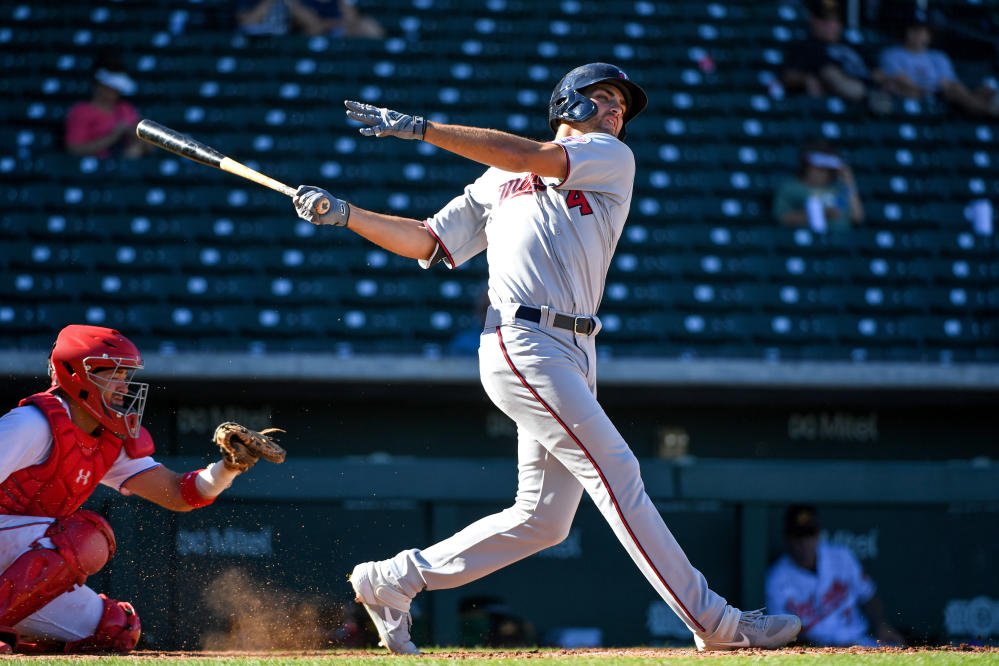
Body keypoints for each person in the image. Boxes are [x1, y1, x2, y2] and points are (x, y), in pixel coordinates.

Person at [291, 62, 802, 654]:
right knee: (619, 474)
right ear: (569, 100)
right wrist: (347, 215)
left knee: (543, 520)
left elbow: (534, 156)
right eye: (606, 98)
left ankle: (391, 581)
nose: (616, 111)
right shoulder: (496, 179)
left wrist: (423, 129)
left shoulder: (609, 157)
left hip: (576, 348)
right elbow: (428, 242)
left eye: (622, 107)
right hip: (522, 340)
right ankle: (718, 625)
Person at [0, 325, 274, 653]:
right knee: (87, 536)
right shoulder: (31, 423)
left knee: (117, 630)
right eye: (112, 374)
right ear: (75, 374)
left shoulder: (107, 440)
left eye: (126, 374)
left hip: (16, 564)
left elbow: (178, 494)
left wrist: (228, 467)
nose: (124, 385)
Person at [765, 505, 906, 647]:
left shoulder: (841, 556)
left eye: (810, 534)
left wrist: (882, 625)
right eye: (798, 536)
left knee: (901, 652)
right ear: (787, 538)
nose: (804, 543)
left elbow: (868, 595)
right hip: (816, 650)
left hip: (858, 640)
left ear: (818, 534)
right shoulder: (776, 579)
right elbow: (780, 635)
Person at [878, 7, 999, 117]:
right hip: (910, 93)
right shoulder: (892, 54)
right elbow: (902, 80)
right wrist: (930, 88)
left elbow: (948, 83)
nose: (918, 35)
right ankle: (988, 109)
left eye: (923, 31)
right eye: (914, 30)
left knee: (963, 89)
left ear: (929, 34)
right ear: (905, 32)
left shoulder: (938, 56)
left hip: (942, 96)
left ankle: (985, 106)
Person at [781, 0, 894, 114]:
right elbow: (788, 75)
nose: (831, 25)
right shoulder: (806, 46)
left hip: (866, 83)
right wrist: (806, 78)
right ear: (813, 20)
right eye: (825, 20)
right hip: (840, 89)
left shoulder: (853, 46)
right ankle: (868, 95)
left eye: (835, 20)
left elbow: (876, 71)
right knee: (830, 72)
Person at [64, 55, 152, 160]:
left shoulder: (125, 108)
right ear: (99, 86)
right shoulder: (81, 111)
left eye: (116, 90)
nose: (113, 93)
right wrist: (112, 136)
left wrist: (135, 135)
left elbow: (149, 148)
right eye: (110, 89)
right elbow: (74, 148)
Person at [773, 140, 864, 232]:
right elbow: (782, 218)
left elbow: (857, 218)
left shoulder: (839, 188)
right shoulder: (791, 187)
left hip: (841, 242)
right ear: (807, 167)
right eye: (818, 168)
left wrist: (849, 183)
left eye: (826, 170)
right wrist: (822, 213)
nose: (822, 173)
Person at [234, 0, 383, 38]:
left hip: (337, 34)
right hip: (307, 37)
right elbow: (314, 26)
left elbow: (351, 21)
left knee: (368, 27)